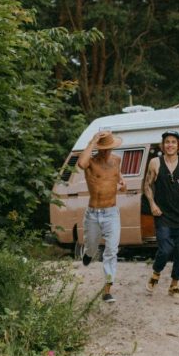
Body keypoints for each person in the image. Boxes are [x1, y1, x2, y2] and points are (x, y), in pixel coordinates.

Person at [76, 130, 126, 303]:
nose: (106, 152)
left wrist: (123, 184)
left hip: (111, 213)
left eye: (109, 148)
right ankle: (89, 253)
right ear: (98, 147)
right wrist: (92, 141)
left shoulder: (117, 161)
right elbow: (80, 164)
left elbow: (118, 178)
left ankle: (107, 289)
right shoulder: (90, 161)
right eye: (103, 148)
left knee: (111, 250)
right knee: (91, 246)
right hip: (93, 214)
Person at [143, 130, 179, 297]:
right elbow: (147, 185)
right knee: (165, 249)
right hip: (163, 215)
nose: (170, 144)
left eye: (173, 141)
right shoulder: (155, 163)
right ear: (163, 145)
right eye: (167, 142)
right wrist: (152, 204)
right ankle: (156, 273)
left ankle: (174, 284)